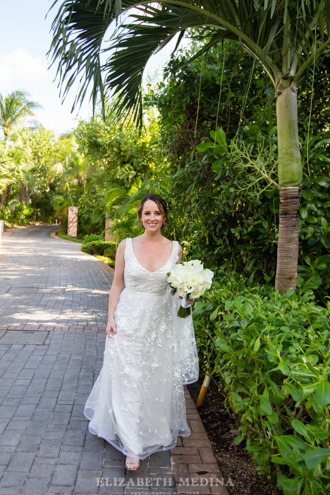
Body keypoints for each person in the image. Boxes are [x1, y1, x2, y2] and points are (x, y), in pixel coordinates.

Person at [84, 193, 199, 471]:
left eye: (157, 213)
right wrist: (111, 317)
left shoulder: (176, 249)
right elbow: (117, 285)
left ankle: (150, 429)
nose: (151, 218)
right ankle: (132, 447)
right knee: (129, 380)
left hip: (160, 326)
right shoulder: (126, 245)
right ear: (140, 217)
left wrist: (189, 297)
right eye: (147, 213)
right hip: (128, 322)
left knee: (154, 379)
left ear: (164, 217)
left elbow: (177, 291)